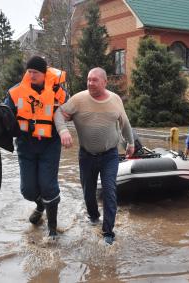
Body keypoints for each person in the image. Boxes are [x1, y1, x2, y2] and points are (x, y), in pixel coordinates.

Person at [54, 67, 134, 245]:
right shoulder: (78, 99)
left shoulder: (115, 100)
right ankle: (93, 217)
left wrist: (131, 143)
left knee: (109, 191)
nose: (90, 83)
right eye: (89, 79)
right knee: (88, 193)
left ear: (105, 82)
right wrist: (63, 130)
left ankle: (108, 233)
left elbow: (125, 123)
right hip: (86, 155)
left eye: (95, 80)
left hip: (110, 155)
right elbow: (59, 113)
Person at [4, 56, 67, 238]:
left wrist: (65, 131)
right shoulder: (15, 93)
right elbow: (6, 116)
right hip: (26, 145)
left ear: (44, 73)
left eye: (36, 72)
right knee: (28, 190)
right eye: (29, 72)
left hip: (50, 144)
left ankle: (52, 231)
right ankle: (41, 206)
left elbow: (68, 112)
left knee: (48, 186)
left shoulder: (58, 92)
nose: (32, 75)